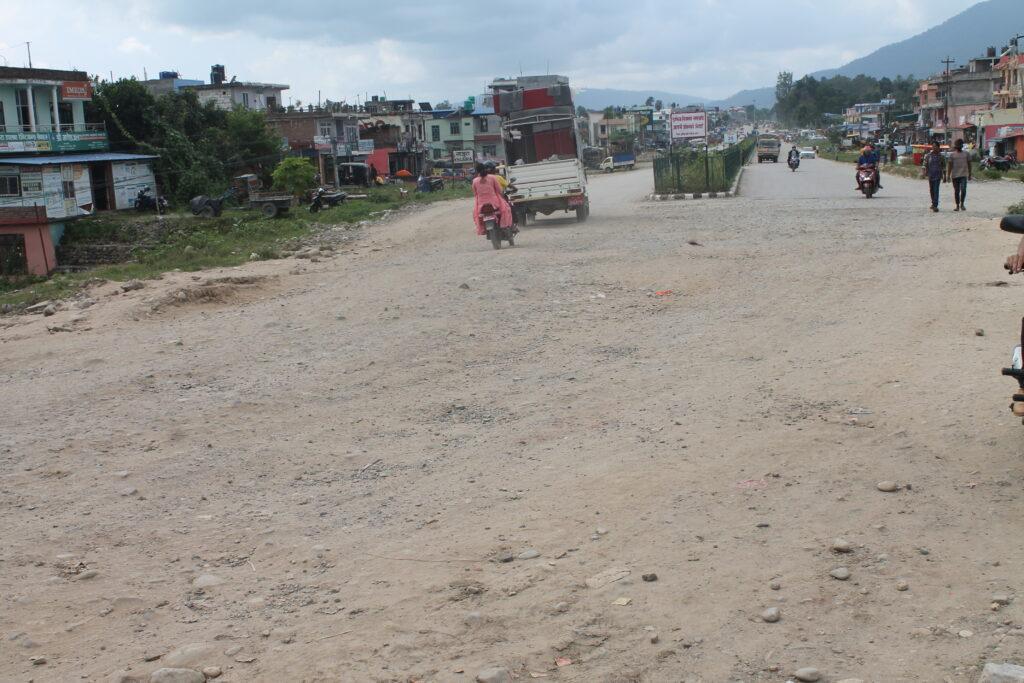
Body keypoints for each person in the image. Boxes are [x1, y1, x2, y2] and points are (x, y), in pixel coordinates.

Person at [471, 162, 513, 236]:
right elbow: (499, 190)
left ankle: (483, 229)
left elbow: (475, 194)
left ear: (477, 171)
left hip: (481, 205)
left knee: (476, 214)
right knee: (506, 209)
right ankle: (504, 226)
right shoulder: (492, 177)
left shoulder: (474, 181)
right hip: (495, 203)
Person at [946, 139, 973, 212]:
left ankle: (962, 204)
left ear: (962, 146)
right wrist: (948, 175)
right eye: (957, 145)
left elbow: (969, 164)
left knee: (963, 190)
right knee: (956, 191)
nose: (958, 147)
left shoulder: (966, 154)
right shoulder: (952, 155)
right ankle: (957, 205)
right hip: (955, 175)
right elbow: (950, 166)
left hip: (963, 175)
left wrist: (970, 174)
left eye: (960, 145)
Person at [921, 141, 945, 212]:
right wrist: (923, 173)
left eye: (935, 146)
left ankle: (935, 205)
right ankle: (933, 202)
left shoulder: (941, 156)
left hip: (938, 175)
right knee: (931, 190)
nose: (934, 148)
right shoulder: (928, 156)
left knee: (936, 190)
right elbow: (924, 165)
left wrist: (945, 176)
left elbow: (944, 166)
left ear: (938, 147)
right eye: (933, 146)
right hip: (930, 175)